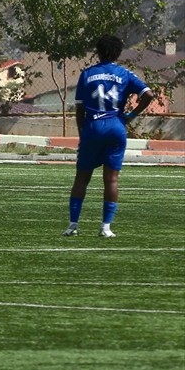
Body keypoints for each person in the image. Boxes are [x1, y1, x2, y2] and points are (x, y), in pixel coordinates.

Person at [63, 34, 156, 239]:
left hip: (93, 126)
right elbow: (149, 94)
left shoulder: (87, 74)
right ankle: (106, 227)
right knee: (111, 179)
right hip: (116, 126)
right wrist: (130, 115)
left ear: (98, 51)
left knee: (82, 178)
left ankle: (73, 225)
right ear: (118, 53)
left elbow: (79, 109)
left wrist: (82, 133)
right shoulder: (124, 73)